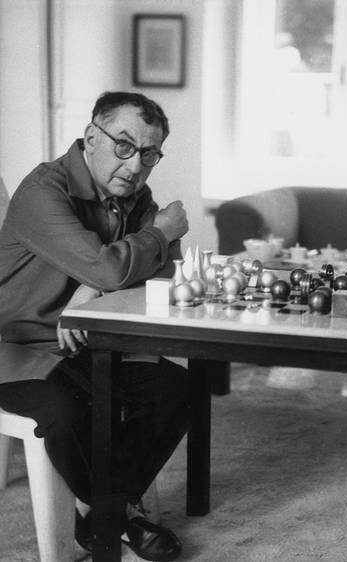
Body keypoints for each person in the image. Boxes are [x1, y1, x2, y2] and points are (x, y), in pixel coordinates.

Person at [0, 91, 191, 561]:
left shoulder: (135, 195)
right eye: (123, 146)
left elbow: (167, 271)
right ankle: (118, 518)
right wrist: (160, 233)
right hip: (18, 345)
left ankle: (105, 515)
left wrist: (92, 292)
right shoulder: (43, 190)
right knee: (68, 412)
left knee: (177, 389)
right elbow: (117, 265)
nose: (135, 165)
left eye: (149, 154)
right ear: (91, 138)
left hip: (89, 342)